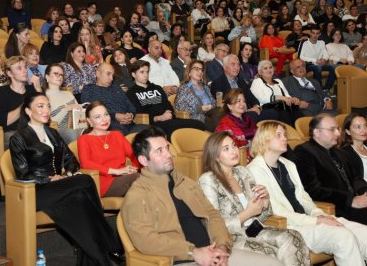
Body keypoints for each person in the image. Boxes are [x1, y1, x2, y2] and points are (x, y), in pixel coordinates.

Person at [121, 126, 284, 266]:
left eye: (167, 148)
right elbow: (145, 240)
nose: (168, 155)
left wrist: (222, 246)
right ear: (143, 160)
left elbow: (213, 215)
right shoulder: (137, 195)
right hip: (183, 260)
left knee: (273, 264)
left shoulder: (186, 183)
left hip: (215, 253)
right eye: (159, 151)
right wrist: (193, 252)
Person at [248, 121, 367, 266]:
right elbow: (276, 211)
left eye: (285, 135)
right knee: (343, 237)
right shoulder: (255, 170)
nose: (285, 138)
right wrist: (316, 221)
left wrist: (317, 214)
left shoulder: (287, 164)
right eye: (279, 135)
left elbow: (304, 197)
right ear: (264, 139)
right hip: (290, 226)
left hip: (311, 219)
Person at [9, 92, 116, 265]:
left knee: (81, 202)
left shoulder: (53, 133)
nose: (46, 110)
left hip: (62, 188)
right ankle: (110, 240)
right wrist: (50, 179)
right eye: (40, 106)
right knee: (86, 181)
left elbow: (71, 160)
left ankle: (98, 260)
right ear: (28, 111)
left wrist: (66, 175)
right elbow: (23, 175)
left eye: (48, 106)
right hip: (37, 192)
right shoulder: (19, 138)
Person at [199, 131, 310, 266]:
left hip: (255, 229)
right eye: (226, 149)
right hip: (232, 238)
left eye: (234, 146)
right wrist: (247, 214)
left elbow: (260, 216)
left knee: (294, 237)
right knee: (274, 252)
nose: (234, 151)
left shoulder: (243, 172)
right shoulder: (208, 180)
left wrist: (265, 201)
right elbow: (212, 225)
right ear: (215, 156)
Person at [294, 114, 367, 236]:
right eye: (332, 130)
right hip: (336, 209)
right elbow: (312, 190)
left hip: (355, 204)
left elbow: (355, 178)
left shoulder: (338, 152)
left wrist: (366, 191)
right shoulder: (304, 151)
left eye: (338, 129)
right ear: (317, 132)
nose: (338, 134)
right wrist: (351, 200)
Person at [77, 100, 139, 197]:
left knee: (151, 175)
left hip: (125, 177)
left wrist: (138, 168)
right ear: (89, 121)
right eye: (98, 117)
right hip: (102, 183)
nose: (104, 119)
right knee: (139, 179)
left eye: (106, 114)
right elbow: (86, 164)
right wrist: (116, 171)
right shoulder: (84, 139)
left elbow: (133, 155)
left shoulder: (117, 135)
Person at [127, 60, 204, 137]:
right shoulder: (131, 93)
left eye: (147, 72)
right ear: (133, 74)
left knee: (198, 124)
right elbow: (139, 114)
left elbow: (167, 105)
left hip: (169, 119)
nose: (145, 75)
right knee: (172, 128)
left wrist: (168, 113)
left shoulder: (157, 88)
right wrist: (159, 118)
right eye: (142, 72)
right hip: (153, 123)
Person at [81, 63, 147, 135]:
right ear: (98, 74)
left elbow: (130, 105)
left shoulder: (116, 87)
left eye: (112, 75)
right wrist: (115, 116)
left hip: (129, 124)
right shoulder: (88, 89)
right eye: (108, 74)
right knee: (117, 135)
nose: (111, 78)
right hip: (109, 125)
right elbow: (90, 110)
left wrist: (130, 115)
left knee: (151, 131)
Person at [211, 54, 278, 124]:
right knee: (252, 115)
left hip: (248, 112)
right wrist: (245, 110)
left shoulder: (241, 81)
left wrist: (256, 106)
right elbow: (222, 105)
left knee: (272, 112)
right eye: (233, 64)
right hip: (233, 115)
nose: (237, 67)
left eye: (238, 65)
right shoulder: (217, 83)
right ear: (224, 67)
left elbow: (252, 98)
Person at [0, 56, 39, 149]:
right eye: (19, 68)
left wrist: (38, 89)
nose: (25, 71)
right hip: (11, 133)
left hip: (33, 130)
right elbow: (3, 122)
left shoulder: (32, 90)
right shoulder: (0, 92)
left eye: (25, 67)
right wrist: (26, 103)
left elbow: (45, 114)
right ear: (9, 73)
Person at [250, 60, 302, 125]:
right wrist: (280, 97)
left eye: (270, 67)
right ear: (260, 72)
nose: (269, 70)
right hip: (268, 110)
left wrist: (293, 99)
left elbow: (287, 96)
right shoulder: (257, 82)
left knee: (298, 113)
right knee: (284, 114)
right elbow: (261, 99)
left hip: (284, 107)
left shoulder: (278, 81)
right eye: (265, 68)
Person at [43, 63, 83, 143]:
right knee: (71, 133)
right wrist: (66, 109)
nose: (60, 77)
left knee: (90, 129)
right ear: (47, 77)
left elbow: (80, 117)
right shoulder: (43, 97)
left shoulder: (68, 93)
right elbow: (49, 121)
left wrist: (81, 109)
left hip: (76, 125)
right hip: (59, 129)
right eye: (56, 74)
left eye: (61, 75)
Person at [174, 60, 218, 130]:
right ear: (189, 72)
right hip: (195, 118)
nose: (200, 72)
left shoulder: (205, 87)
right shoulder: (184, 88)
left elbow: (213, 102)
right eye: (196, 69)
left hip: (210, 113)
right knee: (215, 121)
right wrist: (202, 108)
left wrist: (212, 107)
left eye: (201, 70)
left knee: (222, 114)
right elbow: (182, 109)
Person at [299, 25, 336, 92]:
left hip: (319, 64)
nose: (315, 35)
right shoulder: (304, 43)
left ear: (320, 34)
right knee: (317, 68)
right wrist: (315, 60)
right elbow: (301, 57)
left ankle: (326, 88)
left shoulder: (321, 42)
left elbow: (326, 54)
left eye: (317, 33)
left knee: (333, 68)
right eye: (313, 33)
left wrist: (324, 59)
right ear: (310, 33)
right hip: (308, 65)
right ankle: (319, 90)